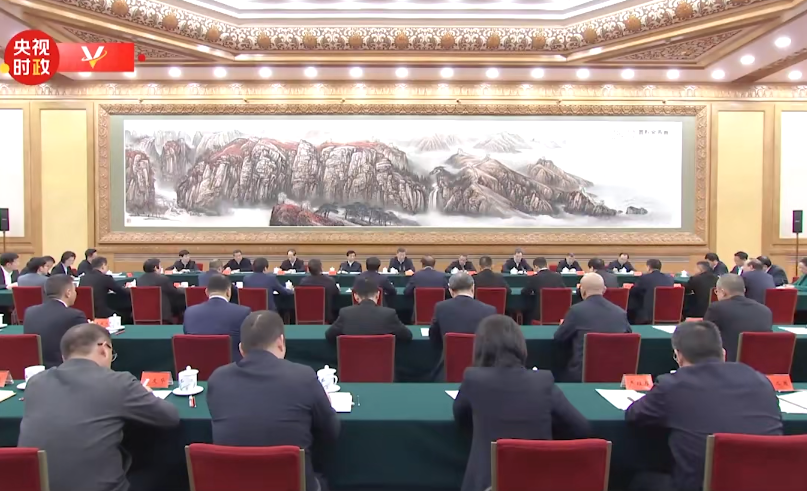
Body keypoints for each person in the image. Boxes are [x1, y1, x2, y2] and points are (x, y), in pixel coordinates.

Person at [18, 323, 180, 491]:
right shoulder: (118, 382)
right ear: (104, 349)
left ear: (64, 357)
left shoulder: (35, 383)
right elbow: (169, 417)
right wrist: (147, 393)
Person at [625, 321, 782, 491]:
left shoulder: (673, 385)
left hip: (700, 486)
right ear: (723, 354)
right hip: (765, 484)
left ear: (678, 356)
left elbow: (635, 415)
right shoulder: (761, 381)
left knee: (640, 481)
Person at [454, 315, 590, 491]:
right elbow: (580, 428)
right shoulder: (543, 381)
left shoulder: (474, 379)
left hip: (488, 483)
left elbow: (461, 417)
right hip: (539, 483)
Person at [207, 311, 340, 491]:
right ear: (281, 342)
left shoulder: (217, 379)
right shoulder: (303, 377)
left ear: (241, 349)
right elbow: (331, 431)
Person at [554, 273, 632, 381]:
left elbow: (559, 338)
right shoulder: (620, 312)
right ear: (604, 290)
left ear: (582, 291)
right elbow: (629, 338)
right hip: (615, 375)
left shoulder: (576, 311)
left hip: (581, 375)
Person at [22, 275, 88, 368]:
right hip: (64, 369)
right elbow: (87, 344)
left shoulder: (29, 311)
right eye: (74, 290)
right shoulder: (75, 315)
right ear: (68, 293)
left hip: (35, 368)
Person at [704, 274, 772, 362]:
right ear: (744, 290)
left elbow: (704, 337)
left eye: (716, 291)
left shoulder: (716, 308)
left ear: (723, 292)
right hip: (759, 364)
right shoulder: (765, 311)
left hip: (727, 364)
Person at [184, 274, 250, 362]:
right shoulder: (243, 312)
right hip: (232, 366)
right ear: (228, 291)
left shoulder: (190, 312)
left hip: (197, 365)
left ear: (206, 292)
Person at [325, 277, 412, 343]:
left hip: (352, 361)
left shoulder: (345, 313)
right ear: (378, 295)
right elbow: (407, 336)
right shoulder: (389, 314)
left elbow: (329, 335)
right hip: (381, 361)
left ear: (355, 296)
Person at [429, 273, 496, 353]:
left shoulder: (441, 307)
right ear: (473, 287)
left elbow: (434, 337)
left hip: (450, 359)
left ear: (450, 290)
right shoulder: (489, 310)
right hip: (478, 359)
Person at [137, 258, 186, 322]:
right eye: (160, 266)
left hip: (144, 313)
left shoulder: (139, 280)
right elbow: (174, 292)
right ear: (155, 268)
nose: (161, 268)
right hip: (162, 313)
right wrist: (182, 289)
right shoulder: (163, 279)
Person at [628, 259, 675, 324]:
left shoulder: (644, 278)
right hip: (666, 311)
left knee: (633, 298)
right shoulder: (669, 278)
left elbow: (633, 291)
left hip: (648, 313)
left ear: (649, 267)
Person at [521, 257, 565, 324]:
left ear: (536, 267)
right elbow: (564, 291)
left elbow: (524, 292)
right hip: (556, 313)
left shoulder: (534, 278)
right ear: (546, 265)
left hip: (540, 314)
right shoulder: (558, 276)